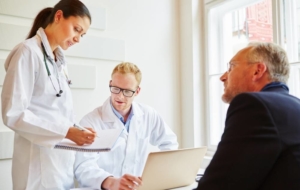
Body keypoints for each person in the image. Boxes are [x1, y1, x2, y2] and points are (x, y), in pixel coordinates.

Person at [1, 0, 97, 189]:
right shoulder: (27, 52)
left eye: (82, 35)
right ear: (59, 16)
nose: (78, 38)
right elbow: (13, 114)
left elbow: (55, 110)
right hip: (36, 169)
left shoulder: (59, 61)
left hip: (60, 166)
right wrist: (67, 132)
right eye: (76, 29)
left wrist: (78, 130)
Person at [195, 42, 300, 190]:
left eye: (231, 67)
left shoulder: (255, 105)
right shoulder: (293, 105)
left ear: (257, 71)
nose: (223, 77)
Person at [74, 62, 179, 190]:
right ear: (110, 84)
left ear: (137, 91)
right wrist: (112, 182)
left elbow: (170, 145)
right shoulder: (90, 121)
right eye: (116, 89)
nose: (120, 96)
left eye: (127, 91)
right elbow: (83, 167)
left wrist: (156, 175)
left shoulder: (148, 115)